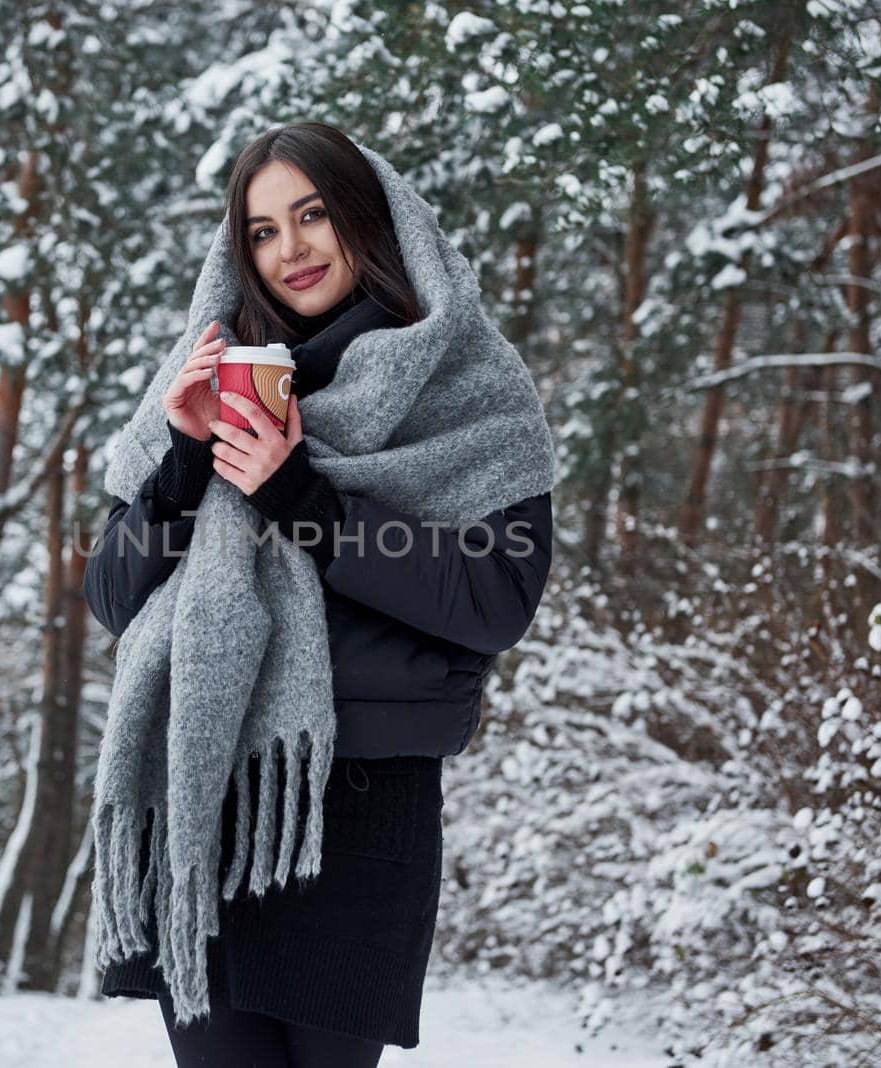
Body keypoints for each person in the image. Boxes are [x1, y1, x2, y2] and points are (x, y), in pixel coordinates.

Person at [83, 121, 553, 1068]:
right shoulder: (210, 376)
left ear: (369, 221)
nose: (290, 248)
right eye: (261, 231)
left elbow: (496, 599)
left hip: (364, 809)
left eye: (312, 215)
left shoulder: (470, 388)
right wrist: (184, 462)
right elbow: (109, 592)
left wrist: (304, 501)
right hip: (207, 795)